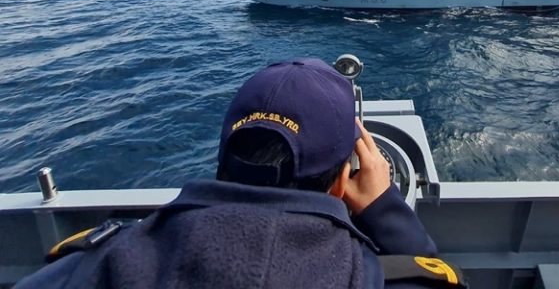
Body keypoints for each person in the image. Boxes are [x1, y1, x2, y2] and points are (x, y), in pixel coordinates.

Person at [16, 59, 464, 288]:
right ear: (343, 181)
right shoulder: (369, 276)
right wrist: (387, 213)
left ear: (223, 158)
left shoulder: (92, 265)